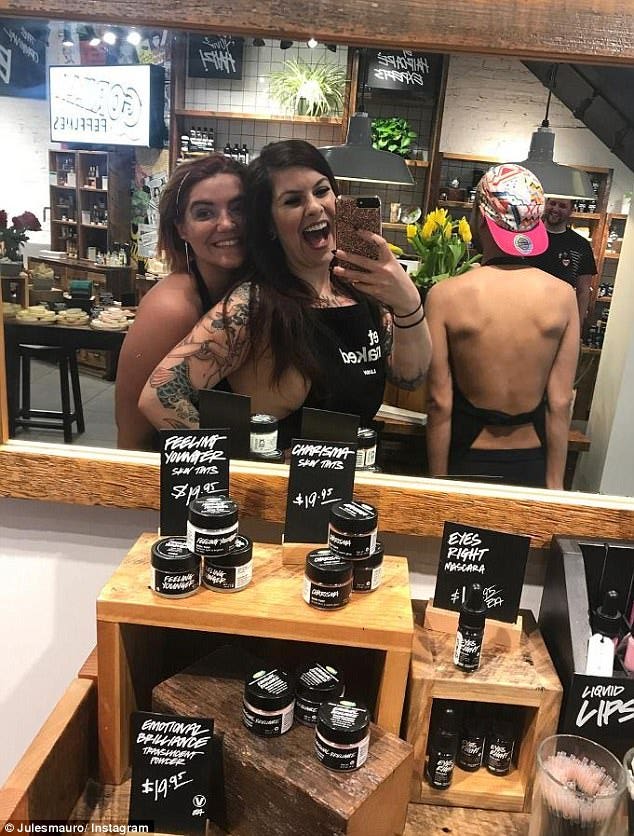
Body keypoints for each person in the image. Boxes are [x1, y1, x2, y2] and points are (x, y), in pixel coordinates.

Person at [138, 139, 431, 445]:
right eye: (293, 201)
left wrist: (408, 302)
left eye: (322, 191)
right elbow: (159, 397)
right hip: (280, 476)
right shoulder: (252, 305)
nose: (314, 207)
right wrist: (236, 462)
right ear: (270, 224)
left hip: (354, 470)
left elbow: (409, 377)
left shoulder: (359, 292)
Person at [425, 163, 579, 490]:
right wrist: (555, 488)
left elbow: (439, 402)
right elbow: (561, 401)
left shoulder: (445, 296)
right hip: (532, 457)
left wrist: (438, 486)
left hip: (467, 454)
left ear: (481, 218)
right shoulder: (563, 296)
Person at [115, 154, 246, 450]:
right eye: (204, 213)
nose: (227, 223)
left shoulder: (252, 292)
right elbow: (131, 440)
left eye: (239, 208)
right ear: (181, 228)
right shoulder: (170, 309)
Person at [526, 197, 597, 329]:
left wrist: (577, 327)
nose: (555, 209)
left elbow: (583, 291)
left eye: (562, 206)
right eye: (552, 203)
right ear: (545, 204)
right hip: (524, 312)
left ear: (571, 210)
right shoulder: (526, 237)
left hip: (558, 320)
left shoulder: (580, 245)